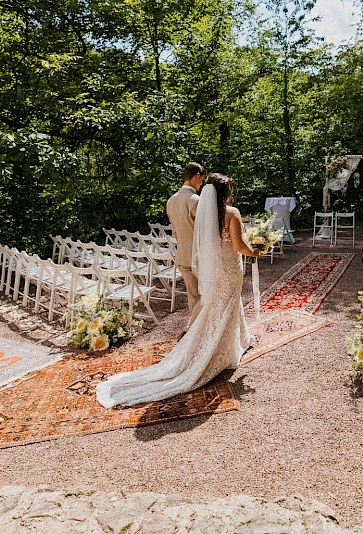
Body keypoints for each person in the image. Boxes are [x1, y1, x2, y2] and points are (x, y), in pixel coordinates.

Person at [94, 173, 260, 408]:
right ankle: (220, 351)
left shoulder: (204, 212)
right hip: (229, 268)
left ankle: (235, 342)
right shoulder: (232, 213)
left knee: (217, 306)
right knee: (227, 305)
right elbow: (239, 245)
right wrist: (256, 250)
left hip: (215, 269)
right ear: (226, 192)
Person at [165, 162, 205, 328]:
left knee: (193, 296)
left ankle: (195, 330)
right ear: (197, 176)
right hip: (199, 255)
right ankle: (203, 331)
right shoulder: (196, 200)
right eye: (201, 180)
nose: (201, 184)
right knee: (205, 295)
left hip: (182, 254)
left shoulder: (171, 201)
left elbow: (175, 231)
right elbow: (204, 231)